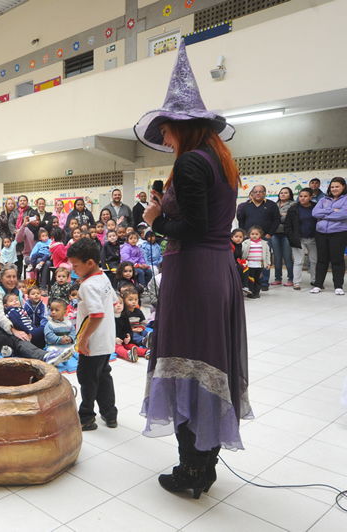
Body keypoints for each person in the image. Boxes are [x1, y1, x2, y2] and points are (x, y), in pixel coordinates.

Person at [136, 39, 251, 498]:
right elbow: (213, 224)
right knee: (209, 361)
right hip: (218, 269)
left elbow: (192, 226)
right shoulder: (220, 161)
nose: (163, 139)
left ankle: (191, 470)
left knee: (186, 361)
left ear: (181, 127)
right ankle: (204, 462)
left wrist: (155, 220)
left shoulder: (188, 165)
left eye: (165, 131)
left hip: (194, 274)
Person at [66, 238, 118, 431]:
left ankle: (86, 416)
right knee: (104, 376)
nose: (73, 270)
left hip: (92, 344)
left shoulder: (88, 286)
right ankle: (110, 414)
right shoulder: (103, 277)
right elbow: (114, 302)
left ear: (89, 263)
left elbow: (96, 315)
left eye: (75, 266)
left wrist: (84, 338)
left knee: (87, 379)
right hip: (106, 340)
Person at [0, 264, 73, 366]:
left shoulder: (18, 293)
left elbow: (24, 314)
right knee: (19, 339)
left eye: (14, 276)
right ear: (0, 278)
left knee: (37, 334)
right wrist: (14, 330)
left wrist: (30, 330)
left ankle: (11, 351)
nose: (12, 280)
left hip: (15, 327)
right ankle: (45, 357)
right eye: (8, 276)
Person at [236, 185, 279, 291]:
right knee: (248, 261)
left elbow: (277, 219)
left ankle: (264, 283)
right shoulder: (246, 206)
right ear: (252, 193)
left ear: (265, 193)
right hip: (248, 239)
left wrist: (270, 234)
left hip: (265, 238)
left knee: (264, 259)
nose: (258, 193)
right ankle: (248, 283)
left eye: (260, 191)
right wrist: (243, 234)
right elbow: (241, 220)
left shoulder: (271, 205)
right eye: (255, 192)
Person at [311, 176, 347, 295]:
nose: (334, 189)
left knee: (337, 259)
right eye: (332, 187)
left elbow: (343, 214)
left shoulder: (345, 199)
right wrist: (333, 210)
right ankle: (318, 285)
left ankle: (338, 286)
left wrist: (325, 214)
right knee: (322, 259)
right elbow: (315, 213)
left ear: (343, 187)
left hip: (338, 232)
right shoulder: (323, 199)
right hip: (321, 232)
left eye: (337, 186)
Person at [285, 187, 318, 290]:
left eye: (305, 196)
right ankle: (296, 282)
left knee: (314, 260)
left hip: (314, 238)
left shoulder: (316, 207)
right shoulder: (293, 209)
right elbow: (288, 225)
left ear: (311, 196)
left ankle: (314, 280)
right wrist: (292, 238)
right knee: (299, 261)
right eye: (300, 196)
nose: (302, 198)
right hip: (298, 238)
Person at [270, 187, 295, 286]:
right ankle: (278, 278)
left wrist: (278, 217)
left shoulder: (293, 204)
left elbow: (290, 218)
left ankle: (291, 279)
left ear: (290, 194)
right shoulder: (275, 204)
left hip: (286, 234)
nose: (283, 194)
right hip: (275, 233)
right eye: (281, 193)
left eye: (286, 193)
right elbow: (270, 218)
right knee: (276, 257)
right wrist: (281, 215)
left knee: (287, 256)